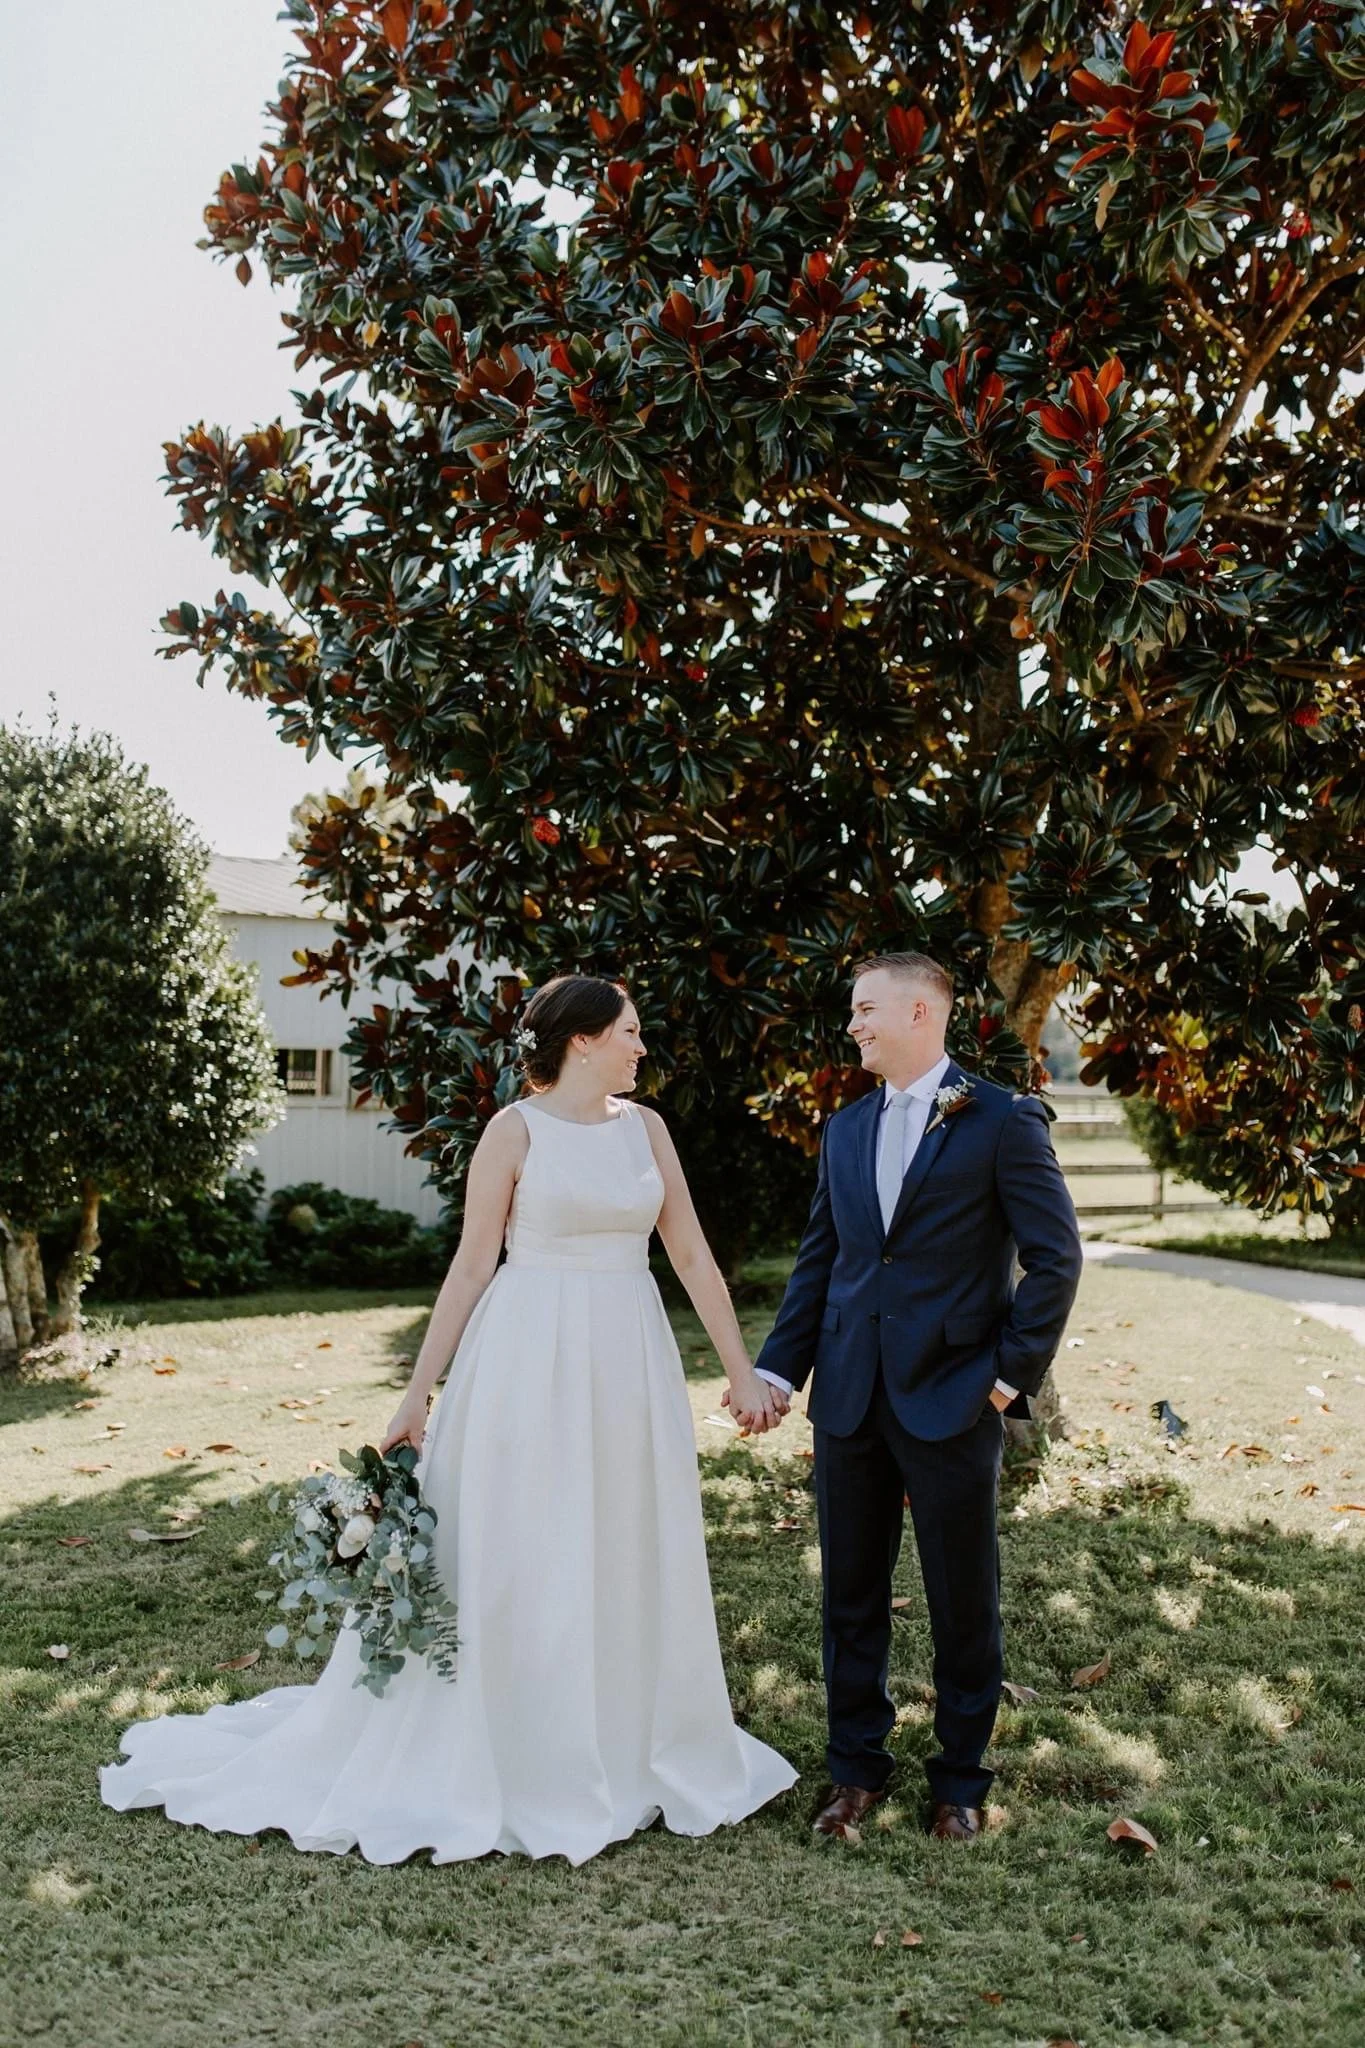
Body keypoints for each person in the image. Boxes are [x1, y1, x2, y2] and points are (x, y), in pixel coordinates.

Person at [99, 974, 796, 1865]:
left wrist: (741, 1372)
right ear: (580, 1041)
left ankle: (624, 1738)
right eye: (627, 1030)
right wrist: (415, 1394)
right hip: (526, 1356)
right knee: (515, 1537)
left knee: (620, 1532)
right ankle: (512, 1742)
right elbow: (470, 1268)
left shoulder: (648, 1130)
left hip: (628, 1353)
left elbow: (691, 1254)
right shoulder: (513, 1132)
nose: (640, 1046)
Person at [750, 953, 1082, 1843]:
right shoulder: (845, 1130)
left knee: (961, 1599)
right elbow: (822, 1263)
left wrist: (1009, 1379)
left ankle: (960, 1782)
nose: (852, 1025)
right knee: (847, 1599)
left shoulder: (1003, 1121)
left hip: (953, 1398)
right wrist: (779, 1372)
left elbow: (1056, 1258)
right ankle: (853, 1775)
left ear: (921, 1012)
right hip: (849, 1400)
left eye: (865, 1009)